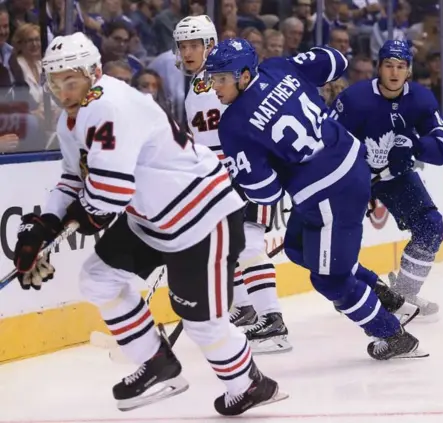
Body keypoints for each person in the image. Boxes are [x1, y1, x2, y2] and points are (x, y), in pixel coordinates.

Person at [12, 32, 287, 416]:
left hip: (200, 216)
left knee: (201, 322)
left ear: (93, 72)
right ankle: (158, 364)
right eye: (55, 79)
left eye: (69, 78)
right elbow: (73, 179)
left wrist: (55, 229)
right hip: (151, 217)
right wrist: (39, 227)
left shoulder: (110, 107)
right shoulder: (73, 118)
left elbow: (107, 197)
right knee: (98, 278)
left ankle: (249, 384)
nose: (61, 88)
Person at [205, 38, 426, 360]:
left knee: (330, 280)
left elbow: (265, 193)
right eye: (213, 79)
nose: (215, 87)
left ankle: (394, 336)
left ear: (242, 75)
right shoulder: (278, 67)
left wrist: (243, 173)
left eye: (221, 78)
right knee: (298, 247)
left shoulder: (234, 124)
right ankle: (387, 298)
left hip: (328, 195)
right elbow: (335, 60)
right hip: (351, 164)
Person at [173, 15, 291, 355]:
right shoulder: (201, 84)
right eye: (183, 45)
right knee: (227, 247)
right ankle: (244, 308)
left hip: (248, 171)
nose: (188, 51)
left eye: (195, 44)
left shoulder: (219, 81)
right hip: (223, 175)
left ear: (210, 45)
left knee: (249, 245)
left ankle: (273, 321)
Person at [329, 40, 443, 316]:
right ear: (379, 68)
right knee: (336, 241)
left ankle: (403, 294)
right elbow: (328, 143)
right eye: (389, 66)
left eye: (401, 66)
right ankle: (348, 294)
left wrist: (415, 146)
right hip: (353, 179)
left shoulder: (420, 99)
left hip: (395, 177)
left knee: (431, 227)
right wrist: (352, 173)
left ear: (408, 71)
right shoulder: (354, 99)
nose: (394, 73)